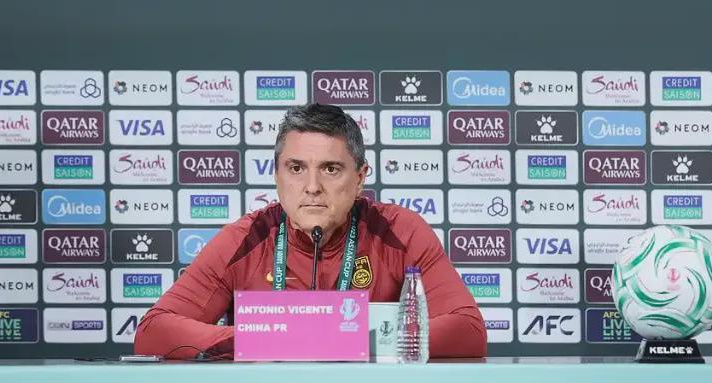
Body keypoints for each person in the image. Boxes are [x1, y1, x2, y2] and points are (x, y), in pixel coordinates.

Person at [134, 103, 487, 359]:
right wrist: (265, 338)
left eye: (331, 169)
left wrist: (346, 337)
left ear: (360, 178)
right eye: (296, 168)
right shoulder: (245, 239)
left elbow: (468, 331)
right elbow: (154, 332)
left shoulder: (400, 231)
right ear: (276, 175)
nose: (312, 187)